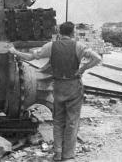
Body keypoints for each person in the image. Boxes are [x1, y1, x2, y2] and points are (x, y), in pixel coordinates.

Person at [9, 22, 101, 161]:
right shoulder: (78, 46)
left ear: (59, 32)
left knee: (58, 120)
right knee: (72, 121)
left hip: (58, 87)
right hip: (74, 86)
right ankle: (68, 154)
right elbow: (97, 58)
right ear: (73, 33)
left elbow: (30, 57)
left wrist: (15, 52)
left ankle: (57, 152)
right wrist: (83, 68)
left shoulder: (51, 46)